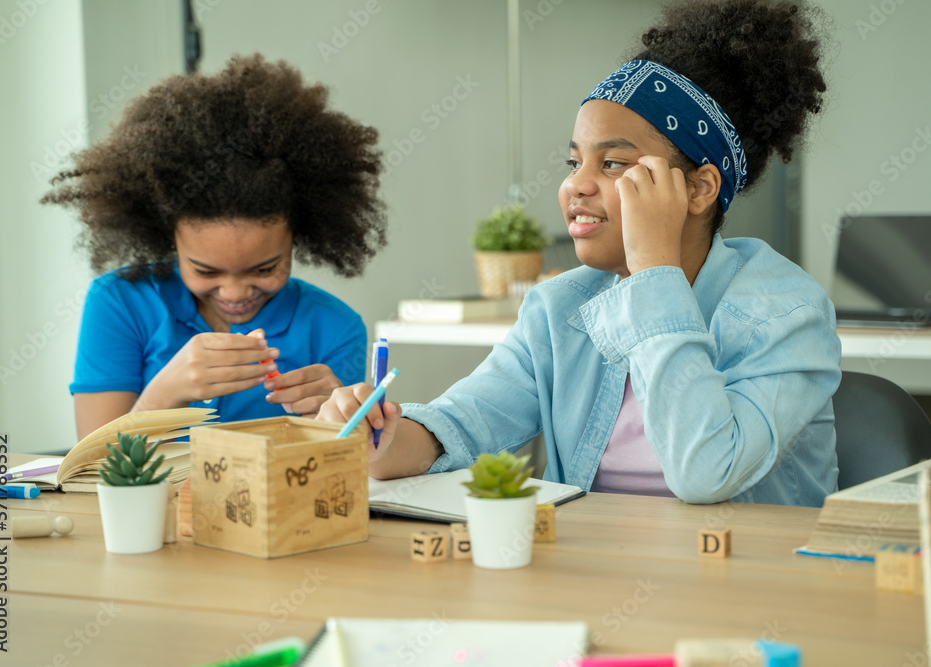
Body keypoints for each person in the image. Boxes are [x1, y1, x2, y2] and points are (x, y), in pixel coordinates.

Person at [319, 0, 841, 507]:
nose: (575, 186)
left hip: (741, 587)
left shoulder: (786, 312)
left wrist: (655, 271)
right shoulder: (558, 309)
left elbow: (705, 472)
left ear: (700, 189)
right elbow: (463, 423)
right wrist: (381, 437)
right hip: (590, 578)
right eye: (574, 162)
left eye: (612, 163)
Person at [42, 55, 386, 440]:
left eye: (264, 268)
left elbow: (333, 476)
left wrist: (335, 424)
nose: (235, 293)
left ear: (300, 235)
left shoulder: (335, 329)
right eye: (206, 271)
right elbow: (94, 470)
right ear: (166, 235)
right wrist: (165, 392)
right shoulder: (119, 303)